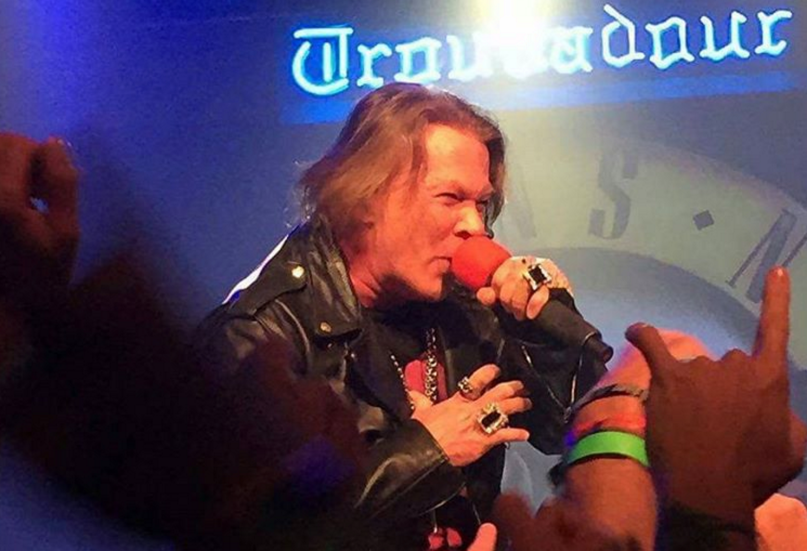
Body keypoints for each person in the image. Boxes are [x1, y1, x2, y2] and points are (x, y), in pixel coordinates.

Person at [195, 82, 606, 550]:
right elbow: (260, 531)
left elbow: (561, 431)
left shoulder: (463, 303)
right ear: (364, 196)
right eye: (450, 198)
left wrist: (540, 328)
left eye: (481, 203)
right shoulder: (258, 332)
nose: (475, 225)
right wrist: (427, 452)